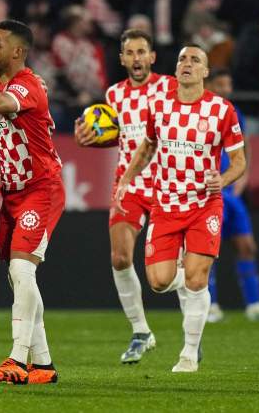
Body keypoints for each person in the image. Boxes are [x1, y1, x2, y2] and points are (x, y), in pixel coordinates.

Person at [115, 45, 246, 372]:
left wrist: (224, 179)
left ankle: (188, 354)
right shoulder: (157, 107)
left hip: (204, 205)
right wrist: (126, 180)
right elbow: (147, 148)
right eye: (183, 59)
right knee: (159, 282)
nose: (187, 64)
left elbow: (240, 162)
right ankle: (189, 280)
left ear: (205, 72)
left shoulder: (221, 110)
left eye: (195, 60)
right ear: (175, 70)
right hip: (166, 205)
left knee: (197, 280)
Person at [74, 29, 179, 364]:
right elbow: (116, 136)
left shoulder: (168, 87)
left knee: (172, 271)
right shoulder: (114, 94)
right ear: (122, 59)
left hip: (166, 183)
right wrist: (90, 138)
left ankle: (194, 321)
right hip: (128, 186)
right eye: (129, 53)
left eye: (141, 52)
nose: (136, 59)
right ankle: (141, 332)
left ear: (152, 57)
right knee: (120, 258)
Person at [0, 20, 64, 385]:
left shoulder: (29, 86)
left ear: (17, 52)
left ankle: (17, 359)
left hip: (40, 190)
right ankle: (43, 365)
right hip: (10, 192)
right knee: (18, 278)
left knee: (21, 271)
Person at [204, 68, 259, 322]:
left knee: (247, 246)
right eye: (221, 84)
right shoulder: (199, 113)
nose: (225, 89)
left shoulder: (235, 114)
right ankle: (210, 307)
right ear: (210, 84)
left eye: (228, 84)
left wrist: (242, 178)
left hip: (231, 192)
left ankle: (254, 305)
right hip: (209, 192)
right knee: (208, 252)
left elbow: (244, 147)